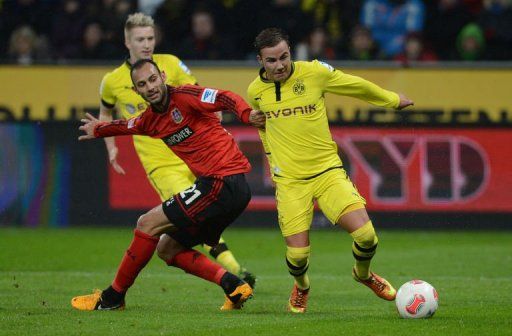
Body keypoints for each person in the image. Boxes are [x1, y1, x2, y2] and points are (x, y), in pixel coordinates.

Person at [72, 58, 265, 311]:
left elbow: (224, 96)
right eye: (142, 84)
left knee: (146, 223)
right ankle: (233, 286)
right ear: (136, 91)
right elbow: (128, 125)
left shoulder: (185, 96)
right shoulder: (151, 120)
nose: (150, 86)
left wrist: (246, 114)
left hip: (222, 182)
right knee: (167, 248)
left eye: (153, 79)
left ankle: (112, 298)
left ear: (163, 76)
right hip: (226, 191)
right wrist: (99, 129)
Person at [247, 28, 414, 313]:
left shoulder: (314, 73)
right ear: (261, 60)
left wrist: (392, 100)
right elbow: (264, 130)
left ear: (291, 54)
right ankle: (301, 287)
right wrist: (274, 164)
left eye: (284, 57)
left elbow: (355, 85)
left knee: (366, 236)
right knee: (297, 256)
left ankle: (363, 275)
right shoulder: (255, 92)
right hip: (290, 182)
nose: (279, 66)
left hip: (328, 172)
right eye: (271, 60)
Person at [95, 12, 255, 287]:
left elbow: (197, 94)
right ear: (127, 41)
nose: (147, 44)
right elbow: (111, 116)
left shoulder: (170, 63)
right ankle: (234, 271)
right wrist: (109, 145)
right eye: (140, 39)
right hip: (161, 164)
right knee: (176, 226)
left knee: (174, 221)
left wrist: (219, 118)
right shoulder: (112, 81)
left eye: (150, 38)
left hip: (196, 160)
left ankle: (114, 295)